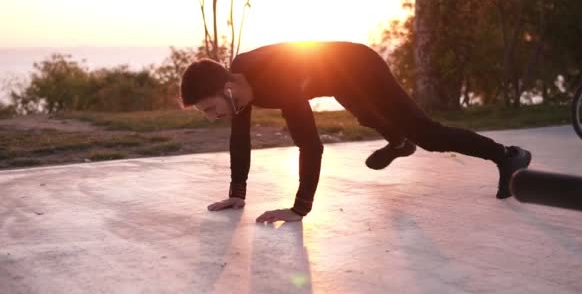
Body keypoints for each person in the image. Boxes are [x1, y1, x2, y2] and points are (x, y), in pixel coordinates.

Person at [180, 41, 531, 223]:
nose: (213, 117)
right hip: (332, 78)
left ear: (227, 89)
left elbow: (311, 146)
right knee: (367, 117)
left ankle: (508, 156)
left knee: (429, 134)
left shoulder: (278, 81)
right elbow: (239, 138)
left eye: (211, 109)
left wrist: (299, 208)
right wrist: (237, 192)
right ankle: (398, 141)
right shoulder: (239, 77)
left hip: (359, 66)